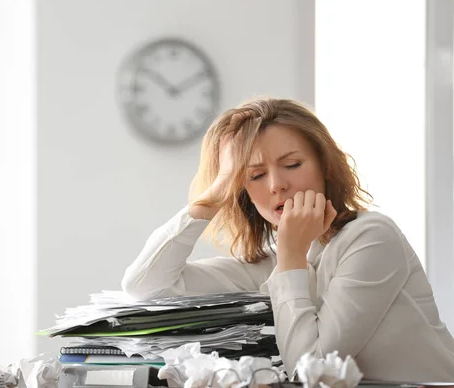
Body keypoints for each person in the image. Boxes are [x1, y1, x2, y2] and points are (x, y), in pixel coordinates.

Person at [121, 97, 454, 382]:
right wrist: (210, 199)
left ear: (325, 166)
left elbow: (310, 368)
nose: (277, 184)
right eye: (255, 175)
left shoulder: (371, 237)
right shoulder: (273, 260)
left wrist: (291, 256)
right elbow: (146, 286)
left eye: (292, 164)